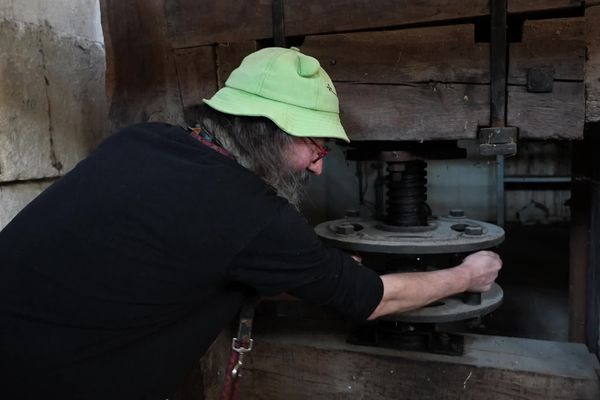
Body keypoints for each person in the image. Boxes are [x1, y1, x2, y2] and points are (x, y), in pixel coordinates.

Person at [0, 47, 501, 399]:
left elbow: (173, 258)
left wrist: (298, 273)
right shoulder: (253, 214)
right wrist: (467, 275)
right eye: (316, 146)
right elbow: (372, 300)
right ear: (270, 133)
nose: (319, 166)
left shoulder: (142, 140)